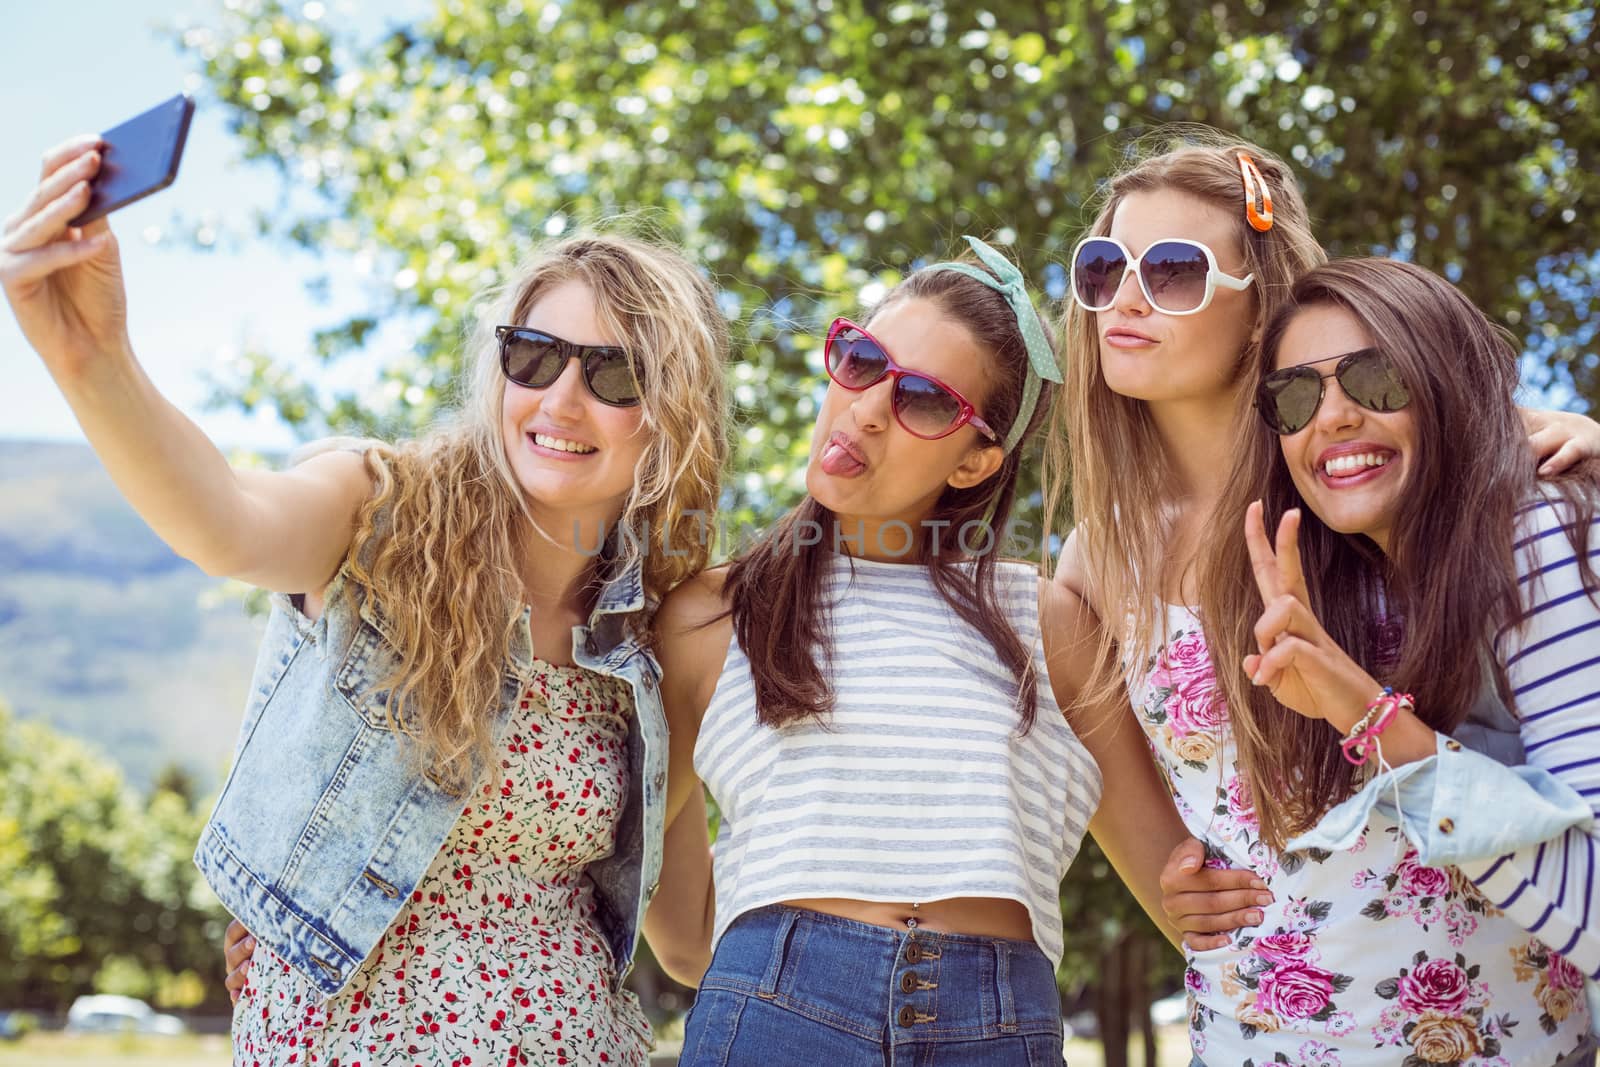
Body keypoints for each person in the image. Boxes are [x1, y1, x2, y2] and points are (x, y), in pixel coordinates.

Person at [0, 135, 730, 1065]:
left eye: (615, 374)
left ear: (672, 411)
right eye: (535, 355)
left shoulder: (655, 637)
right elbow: (224, 520)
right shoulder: (380, 511)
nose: (562, 400)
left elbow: (691, 937)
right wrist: (89, 352)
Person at [1049, 131, 1600, 1065]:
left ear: (1259, 299)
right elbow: (1178, 867)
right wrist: (1175, 888)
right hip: (1259, 1036)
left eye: (1173, 270)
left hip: (1499, 1023)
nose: (1124, 298)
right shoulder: (1095, 565)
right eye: (1102, 267)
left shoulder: (1374, 481)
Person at [652, 237, 1225, 1066]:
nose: (869, 407)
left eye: (924, 398)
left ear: (976, 460)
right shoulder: (711, 614)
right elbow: (679, 930)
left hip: (995, 1022)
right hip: (774, 1012)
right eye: (861, 359)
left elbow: (1184, 894)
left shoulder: (1046, 621)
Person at [1198, 256, 1600, 1065]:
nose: (1334, 417)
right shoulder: (1392, 583)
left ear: (1448, 383)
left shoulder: (1542, 531)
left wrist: (1370, 716)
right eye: (1296, 397)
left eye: (1376, 376)